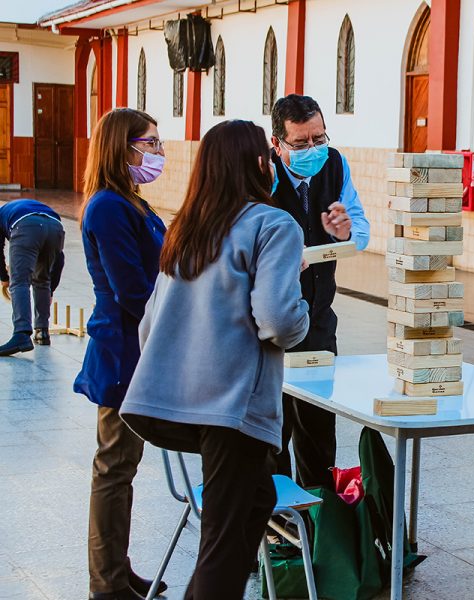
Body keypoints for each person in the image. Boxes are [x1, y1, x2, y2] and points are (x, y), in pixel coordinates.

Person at [119, 119, 310, 599]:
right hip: (232, 405)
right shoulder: (273, 223)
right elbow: (278, 320)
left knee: (254, 501)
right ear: (257, 164)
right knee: (223, 541)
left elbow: (150, 322)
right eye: (268, 156)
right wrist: (300, 307)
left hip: (179, 400)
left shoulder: (187, 227)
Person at [73, 108, 169, 600]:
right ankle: (106, 583)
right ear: (122, 147)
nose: (157, 152)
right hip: (122, 352)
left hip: (140, 349)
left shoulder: (133, 203)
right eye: (149, 144)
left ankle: (118, 567)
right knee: (113, 468)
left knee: (122, 469)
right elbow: (133, 289)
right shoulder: (109, 207)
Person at [269, 94, 370, 489]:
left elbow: (359, 229)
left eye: (319, 138)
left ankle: (318, 517)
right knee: (273, 431)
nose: (313, 149)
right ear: (277, 143)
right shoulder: (263, 173)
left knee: (317, 427)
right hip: (270, 322)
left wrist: (344, 233)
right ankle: (278, 525)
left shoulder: (335, 163)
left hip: (318, 319)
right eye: (301, 143)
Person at [0, 198, 65, 355]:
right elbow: (59, 259)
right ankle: (42, 332)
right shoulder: (13, 208)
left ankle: (21, 334)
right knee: (42, 279)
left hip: (25, 226)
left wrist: (4, 278)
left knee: (19, 282)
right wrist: (51, 290)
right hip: (56, 226)